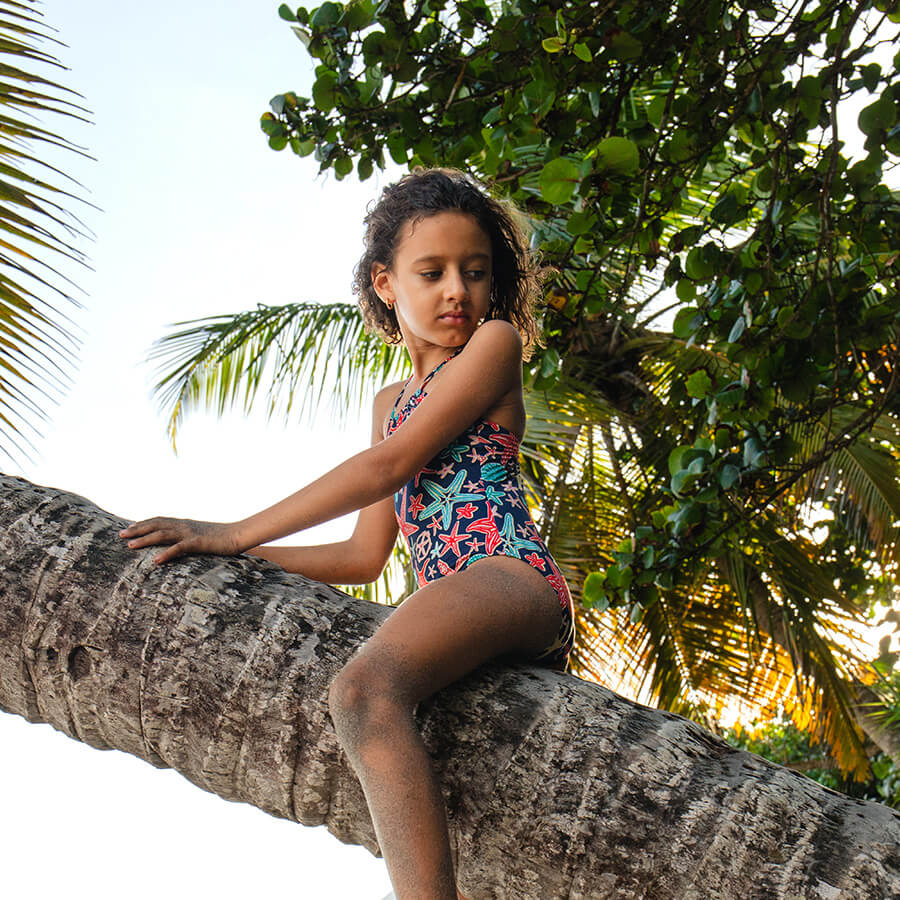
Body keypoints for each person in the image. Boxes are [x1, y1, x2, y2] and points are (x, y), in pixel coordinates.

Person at [120, 168, 575, 900]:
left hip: (510, 576)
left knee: (363, 693)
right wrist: (229, 548)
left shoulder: (492, 347)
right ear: (386, 284)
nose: (457, 289)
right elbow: (365, 557)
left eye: (475, 271)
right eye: (431, 272)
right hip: (451, 600)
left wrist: (236, 531)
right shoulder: (390, 401)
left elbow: (389, 465)